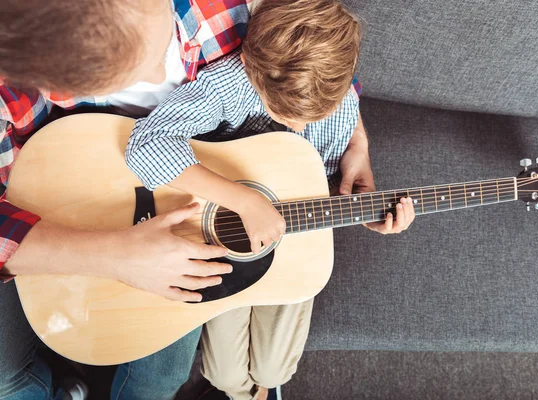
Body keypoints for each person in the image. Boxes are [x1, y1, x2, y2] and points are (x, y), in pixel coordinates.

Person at [0, 0, 410, 399]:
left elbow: (324, 50)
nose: (171, 72)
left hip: (204, 209)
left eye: (165, 42)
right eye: (145, 66)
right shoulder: (222, 84)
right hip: (79, 202)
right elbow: (146, 142)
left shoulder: (208, 16)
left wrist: (356, 141)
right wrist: (115, 255)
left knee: (164, 379)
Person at [125, 1, 416, 399]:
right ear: (249, 63)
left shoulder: (341, 102)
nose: (299, 125)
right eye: (283, 111)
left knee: (275, 367)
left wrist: (362, 209)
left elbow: (322, 182)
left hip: (292, 240)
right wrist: (244, 202)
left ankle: (262, 389)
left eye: (312, 117)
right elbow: (145, 146)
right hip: (220, 235)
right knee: (225, 377)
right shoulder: (227, 83)